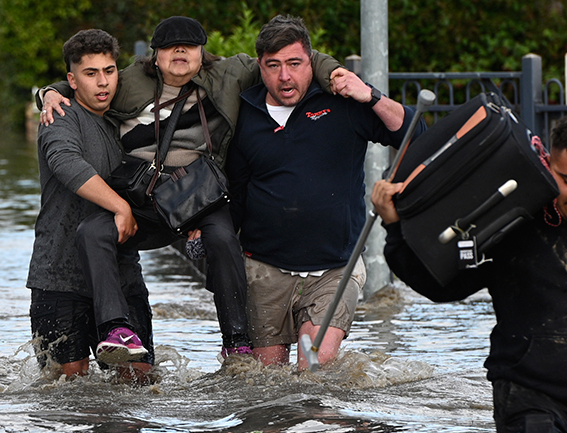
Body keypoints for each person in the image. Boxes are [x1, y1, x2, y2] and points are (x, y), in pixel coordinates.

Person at [38, 16, 343, 361]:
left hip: (197, 194)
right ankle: (115, 328)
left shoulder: (229, 73)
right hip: (142, 196)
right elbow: (88, 79)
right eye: (170, 47)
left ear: (202, 53)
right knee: (92, 230)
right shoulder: (127, 80)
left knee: (224, 238)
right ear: (155, 56)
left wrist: (335, 74)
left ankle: (236, 339)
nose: (179, 52)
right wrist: (48, 93)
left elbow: (295, 58)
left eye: (189, 46)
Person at [373, 113, 567, 432]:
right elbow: (442, 287)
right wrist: (394, 229)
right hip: (528, 396)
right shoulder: (511, 221)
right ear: (548, 163)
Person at [226, 15, 428, 370]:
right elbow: (237, 191)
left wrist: (370, 95)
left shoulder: (343, 103)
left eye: (294, 64)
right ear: (260, 66)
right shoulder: (245, 111)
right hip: (263, 269)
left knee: (312, 371)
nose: (284, 76)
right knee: (264, 387)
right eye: (273, 66)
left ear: (311, 61)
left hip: (335, 268)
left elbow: (414, 133)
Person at [27, 29, 154, 383]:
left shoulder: (124, 117)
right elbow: (66, 162)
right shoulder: (60, 116)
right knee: (68, 387)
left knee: (140, 380)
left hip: (121, 271)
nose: (103, 82)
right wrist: (120, 207)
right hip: (60, 275)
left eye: (110, 71)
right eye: (90, 73)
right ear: (72, 80)